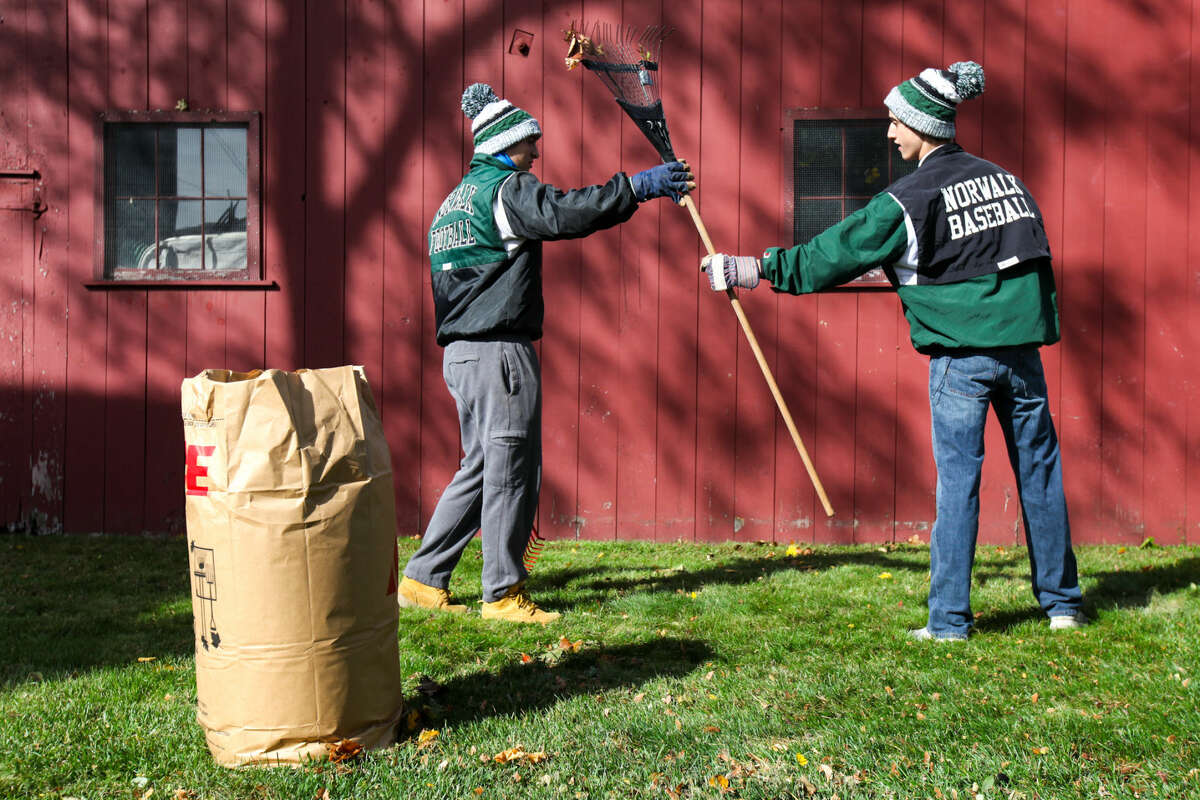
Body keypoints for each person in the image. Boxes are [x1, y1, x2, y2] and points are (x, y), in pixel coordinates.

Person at [702, 61, 1086, 641]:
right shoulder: (1007, 182)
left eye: (894, 122)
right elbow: (1037, 264)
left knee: (959, 484)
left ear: (922, 125)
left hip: (961, 360)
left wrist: (753, 269)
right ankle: (1063, 606)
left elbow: (836, 251)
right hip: (1024, 355)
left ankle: (950, 622)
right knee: (1041, 473)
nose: (888, 132)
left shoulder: (907, 199)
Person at [400, 83, 694, 624]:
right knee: (510, 468)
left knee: (481, 466)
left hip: (459, 355)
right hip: (500, 354)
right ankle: (504, 593)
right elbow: (565, 213)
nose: (536, 154)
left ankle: (423, 578)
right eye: (530, 143)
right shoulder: (506, 190)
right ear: (506, 144)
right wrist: (638, 187)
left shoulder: (450, 206)